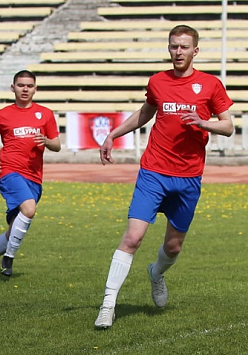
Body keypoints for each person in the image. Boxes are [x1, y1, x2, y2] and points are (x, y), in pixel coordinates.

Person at [95, 25, 234, 330]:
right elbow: (146, 111)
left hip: (188, 178)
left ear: (195, 51)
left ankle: (156, 274)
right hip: (153, 171)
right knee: (132, 237)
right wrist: (113, 134)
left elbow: (228, 127)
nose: (178, 52)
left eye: (184, 47)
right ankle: (108, 305)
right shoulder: (158, 81)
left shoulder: (210, 85)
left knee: (173, 248)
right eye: (174, 46)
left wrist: (203, 122)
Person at [0, 70, 60, 278]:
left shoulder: (45, 114)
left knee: (15, 228)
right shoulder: (2, 115)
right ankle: (8, 258)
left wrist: (46, 141)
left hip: (34, 177)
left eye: (29, 86)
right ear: (13, 88)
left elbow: (56, 145)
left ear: (35, 89)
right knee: (29, 209)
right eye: (21, 85)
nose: (25, 89)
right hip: (9, 171)